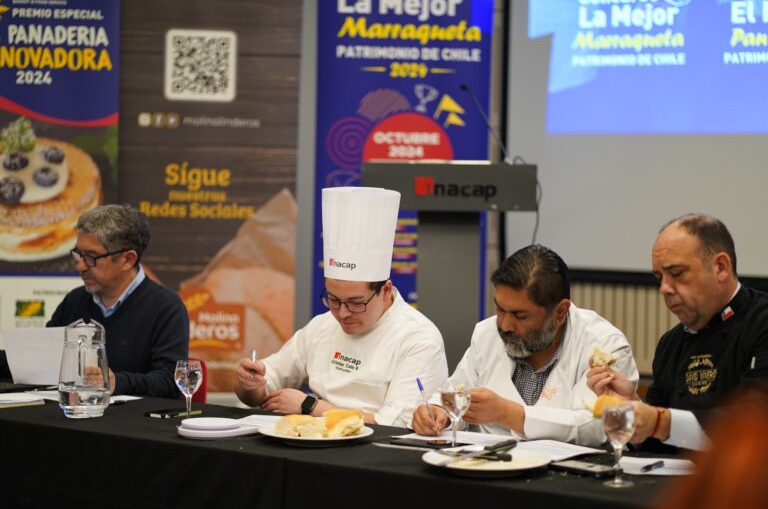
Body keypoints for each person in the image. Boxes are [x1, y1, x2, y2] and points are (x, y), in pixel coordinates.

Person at [234, 187, 448, 427]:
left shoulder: (418, 338)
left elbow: (398, 424)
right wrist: (248, 382)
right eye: (334, 299)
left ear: (386, 290)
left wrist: (312, 407)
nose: (342, 313)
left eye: (356, 303)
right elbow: (263, 386)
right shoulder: (323, 326)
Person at [412, 245, 639, 446]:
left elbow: (599, 426)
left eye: (520, 316)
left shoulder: (604, 345)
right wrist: (438, 412)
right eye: (500, 309)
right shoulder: (487, 333)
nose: (505, 325)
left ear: (560, 313)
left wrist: (508, 414)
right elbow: (455, 393)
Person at [588, 214, 768, 451]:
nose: (664, 288)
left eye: (677, 273)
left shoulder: (761, 322)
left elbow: (754, 422)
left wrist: (660, 421)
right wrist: (630, 406)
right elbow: (653, 444)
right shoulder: (670, 344)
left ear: (721, 267)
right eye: (659, 277)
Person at [48, 204, 189, 399]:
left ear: (127, 260)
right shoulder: (75, 300)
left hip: (137, 424)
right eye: (78, 254)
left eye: (91, 257)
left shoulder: (166, 307)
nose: (80, 266)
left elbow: (171, 381)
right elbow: (45, 358)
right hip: (76, 416)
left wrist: (118, 382)